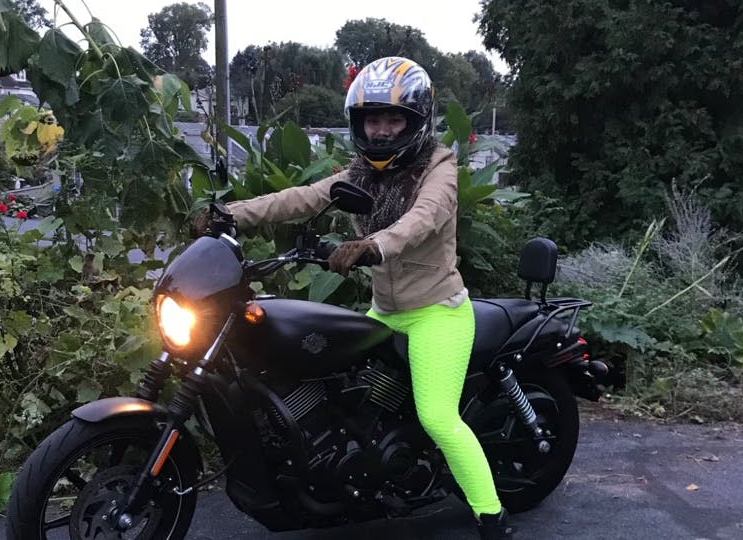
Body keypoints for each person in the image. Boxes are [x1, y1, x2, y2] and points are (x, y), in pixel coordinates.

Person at [193, 56, 512, 539]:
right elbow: (300, 197)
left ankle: (491, 516)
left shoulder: (439, 171)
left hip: (436, 315)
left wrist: (374, 245)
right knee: (341, 395)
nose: (382, 131)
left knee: (438, 417)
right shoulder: (362, 173)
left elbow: (422, 218)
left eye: (393, 119)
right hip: (385, 313)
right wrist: (230, 214)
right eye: (372, 120)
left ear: (416, 121)